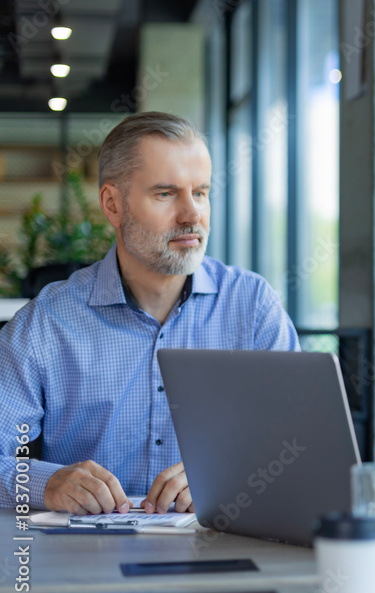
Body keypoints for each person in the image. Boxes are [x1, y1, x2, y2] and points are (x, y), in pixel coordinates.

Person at [0, 112, 298, 516]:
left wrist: (231, 473)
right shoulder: (47, 323)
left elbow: (298, 445)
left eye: (201, 192)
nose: (192, 215)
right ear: (113, 204)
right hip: (87, 555)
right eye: (165, 194)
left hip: (221, 545)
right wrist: (45, 483)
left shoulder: (252, 306)